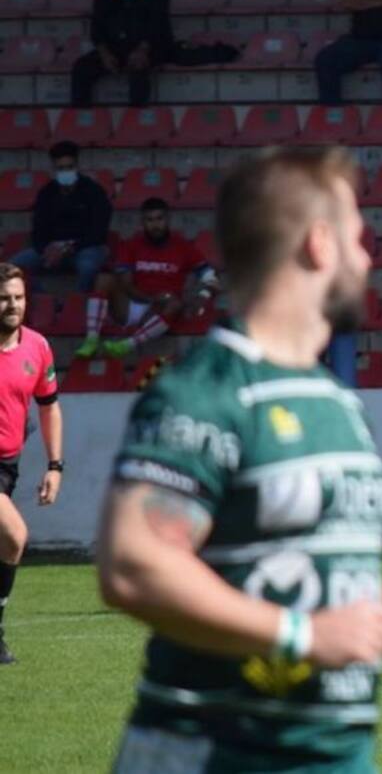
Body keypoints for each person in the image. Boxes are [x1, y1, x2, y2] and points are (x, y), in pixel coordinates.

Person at [96, 147, 382, 771]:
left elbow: (322, 570)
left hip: (334, 756)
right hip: (217, 754)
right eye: (358, 239)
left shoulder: (332, 400)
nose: (367, 259)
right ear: (319, 243)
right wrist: (301, 638)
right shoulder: (206, 394)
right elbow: (133, 567)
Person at [0, 263, 64, 665]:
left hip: (10, 464)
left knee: (6, 543)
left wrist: (55, 466)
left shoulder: (37, 347)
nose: (13, 305)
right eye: (5, 297)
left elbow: (49, 407)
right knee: (14, 535)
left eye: (19, 297)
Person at [76, 197, 218, 360]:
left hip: (162, 308)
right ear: (142, 222)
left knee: (174, 303)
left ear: (168, 219)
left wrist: (203, 295)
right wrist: (151, 298)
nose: (155, 225)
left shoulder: (183, 246)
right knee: (103, 279)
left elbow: (211, 276)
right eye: (149, 220)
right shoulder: (132, 245)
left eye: (159, 219)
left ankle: (126, 345)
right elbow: (126, 284)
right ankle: (91, 340)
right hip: (133, 303)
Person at [71, 0, 172, 108]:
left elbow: (158, 21)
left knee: (138, 66)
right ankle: (81, 118)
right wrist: (104, 53)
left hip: (151, 44)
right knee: (81, 68)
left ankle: (136, 119)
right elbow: (97, 23)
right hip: (116, 46)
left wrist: (142, 49)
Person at [9, 141, 112, 292]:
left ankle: (76, 305)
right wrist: (48, 248)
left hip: (85, 248)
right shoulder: (46, 193)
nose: (66, 172)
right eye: (61, 168)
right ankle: (45, 303)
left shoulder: (94, 191)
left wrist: (70, 247)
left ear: (77, 166)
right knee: (13, 267)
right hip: (52, 249)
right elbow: (38, 229)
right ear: (54, 169)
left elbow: (98, 231)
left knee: (88, 267)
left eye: (70, 167)